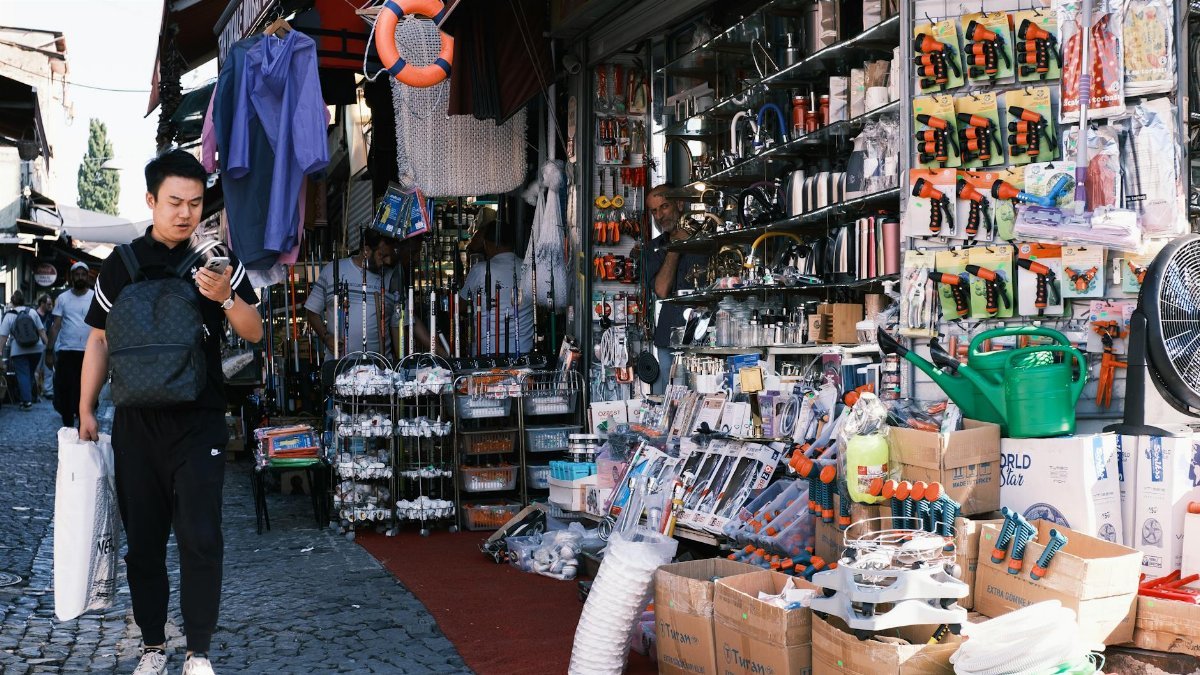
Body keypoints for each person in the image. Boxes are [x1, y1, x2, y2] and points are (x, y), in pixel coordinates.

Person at [78, 149, 263, 675]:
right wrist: (85, 407)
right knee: (144, 544)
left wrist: (226, 298)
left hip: (199, 419)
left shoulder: (218, 260)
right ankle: (153, 647)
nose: (185, 213)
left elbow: (256, 332)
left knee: (201, 535)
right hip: (136, 423)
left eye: (195, 203)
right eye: (174, 202)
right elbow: (97, 340)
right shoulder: (120, 265)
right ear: (151, 201)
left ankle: (198, 651)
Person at [304, 229, 434, 359]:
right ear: (366, 251)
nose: (388, 261)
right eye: (382, 255)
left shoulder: (393, 276)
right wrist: (326, 337)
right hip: (339, 366)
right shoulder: (333, 270)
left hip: (380, 368)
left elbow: (399, 323)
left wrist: (402, 364)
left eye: (390, 255)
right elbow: (312, 311)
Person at [644, 184, 709, 394]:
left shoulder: (706, 238)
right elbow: (662, 290)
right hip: (669, 336)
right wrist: (675, 248)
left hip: (704, 336)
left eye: (664, 207)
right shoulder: (653, 248)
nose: (659, 215)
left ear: (679, 204)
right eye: (654, 211)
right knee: (669, 402)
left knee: (706, 397)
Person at [459, 207, 533, 356]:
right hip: (524, 351)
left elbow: (460, 307)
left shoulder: (480, 270)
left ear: (486, 244)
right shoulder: (528, 268)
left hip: (487, 352)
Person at [47, 262, 94, 428]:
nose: (80, 277)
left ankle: (84, 427)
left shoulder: (94, 297)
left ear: (88, 277)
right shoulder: (63, 298)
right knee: (64, 390)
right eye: (77, 274)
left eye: (83, 274)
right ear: (71, 277)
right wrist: (49, 351)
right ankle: (67, 426)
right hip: (67, 352)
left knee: (86, 392)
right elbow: (56, 326)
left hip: (89, 353)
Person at [0, 289, 48, 410]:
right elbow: (41, 331)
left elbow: (3, 337)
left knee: (23, 375)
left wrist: (0, 353)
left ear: (12, 302)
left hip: (18, 350)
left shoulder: (9, 316)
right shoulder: (32, 312)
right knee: (30, 374)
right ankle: (28, 397)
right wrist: (48, 346)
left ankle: (26, 401)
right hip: (36, 348)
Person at [36, 293, 54, 400]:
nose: (50, 306)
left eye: (51, 304)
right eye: (48, 304)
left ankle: (48, 391)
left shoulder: (51, 314)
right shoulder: (34, 314)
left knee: (48, 368)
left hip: (48, 345)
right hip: (37, 345)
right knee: (36, 369)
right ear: (42, 303)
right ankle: (36, 391)